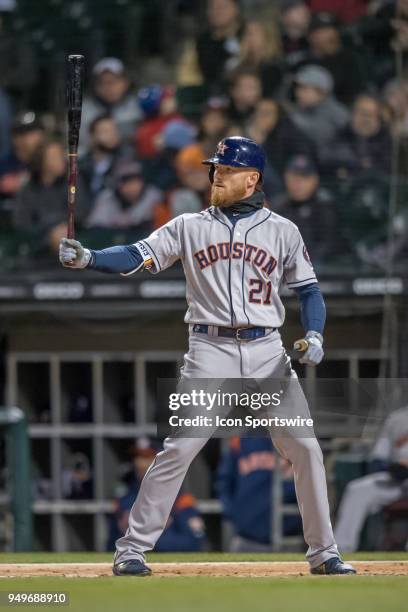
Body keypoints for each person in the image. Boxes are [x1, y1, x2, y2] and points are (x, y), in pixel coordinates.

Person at [59, 135, 356, 576]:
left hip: (267, 350)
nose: (216, 174)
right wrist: (91, 258)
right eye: (215, 168)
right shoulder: (189, 225)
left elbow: (309, 290)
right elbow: (137, 256)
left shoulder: (283, 230)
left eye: (227, 169)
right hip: (209, 348)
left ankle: (324, 552)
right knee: (179, 448)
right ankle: (133, 549)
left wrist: (315, 333)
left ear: (252, 179)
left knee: (306, 449)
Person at [108, 438, 206, 553]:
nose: (140, 463)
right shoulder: (124, 499)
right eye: (138, 457)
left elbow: (194, 541)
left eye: (147, 457)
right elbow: (111, 544)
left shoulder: (180, 498)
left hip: (169, 563)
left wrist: (146, 541)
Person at [334, 406, 408, 552]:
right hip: (396, 479)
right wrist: (395, 468)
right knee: (358, 489)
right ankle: (342, 548)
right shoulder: (397, 418)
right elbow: (378, 458)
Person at [216, 436, 302, 551]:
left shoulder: (297, 440)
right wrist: (233, 514)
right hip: (246, 538)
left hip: (289, 539)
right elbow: (223, 481)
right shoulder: (240, 440)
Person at [14, 139, 88, 253]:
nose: (60, 161)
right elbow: (22, 222)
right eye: (53, 157)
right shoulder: (29, 189)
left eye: (60, 156)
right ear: (41, 161)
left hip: (74, 236)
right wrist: (49, 230)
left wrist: (61, 226)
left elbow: (80, 212)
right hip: (38, 241)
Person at [271, 155, 340, 264]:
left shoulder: (325, 207)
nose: (298, 183)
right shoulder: (277, 207)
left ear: (315, 180)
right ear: (286, 177)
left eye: (304, 177)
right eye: (294, 177)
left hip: (320, 270)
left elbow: (329, 245)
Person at [319, 94, 392, 179]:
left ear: (379, 119)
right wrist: (358, 164)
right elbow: (325, 159)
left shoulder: (388, 143)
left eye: (371, 114)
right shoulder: (339, 136)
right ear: (352, 114)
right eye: (362, 113)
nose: (366, 119)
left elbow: (387, 169)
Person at [79, 58, 142, 155]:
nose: (108, 88)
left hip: (131, 161)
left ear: (125, 83)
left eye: (113, 82)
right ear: (96, 86)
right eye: (102, 83)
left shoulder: (138, 106)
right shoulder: (84, 111)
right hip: (95, 163)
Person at [306, 11, 367, 106]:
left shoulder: (350, 60)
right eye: (324, 30)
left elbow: (358, 93)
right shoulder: (302, 63)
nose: (332, 35)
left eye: (333, 29)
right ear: (311, 37)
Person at [86, 160, 162, 233]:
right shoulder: (106, 197)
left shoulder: (153, 196)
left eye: (135, 181)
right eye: (127, 182)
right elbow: (93, 229)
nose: (132, 187)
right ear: (117, 184)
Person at [288, 64, 349, 149]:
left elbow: (321, 135)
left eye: (304, 88)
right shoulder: (301, 109)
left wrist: (288, 118)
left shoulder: (338, 113)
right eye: (298, 87)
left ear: (322, 92)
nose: (298, 93)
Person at [79, 114, 128, 204]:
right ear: (92, 136)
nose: (112, 135)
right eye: (106, 131)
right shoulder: (80, 165)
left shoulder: (126, 162)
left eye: (114, 130)